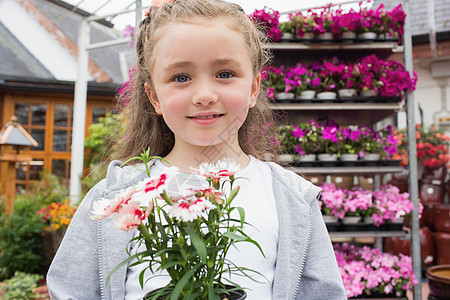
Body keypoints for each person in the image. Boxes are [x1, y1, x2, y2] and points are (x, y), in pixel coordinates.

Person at [47, 0, 346, 299]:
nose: (204, 95)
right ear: (154, 97)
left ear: (254, 88)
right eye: (181, 78)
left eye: (225, 74)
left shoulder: (291, 198)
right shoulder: (115, 195)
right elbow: (69, 291)